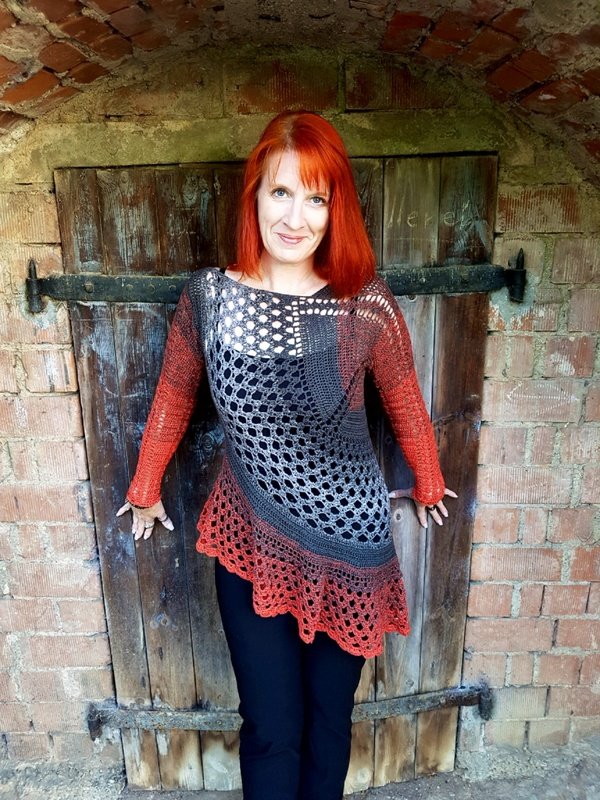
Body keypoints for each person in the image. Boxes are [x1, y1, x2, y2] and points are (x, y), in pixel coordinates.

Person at [117, 110, 456, 800]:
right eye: (280, 192)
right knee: (272, 724)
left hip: (350, 546)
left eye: (315, 198)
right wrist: (145, 487)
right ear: (255, 196)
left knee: (330, 720)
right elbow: (175, 392)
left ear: (335, 211)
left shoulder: (364, 304)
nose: (295, 217)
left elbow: (404, 399)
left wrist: (429, 480)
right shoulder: (210, 299)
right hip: (250, 540)